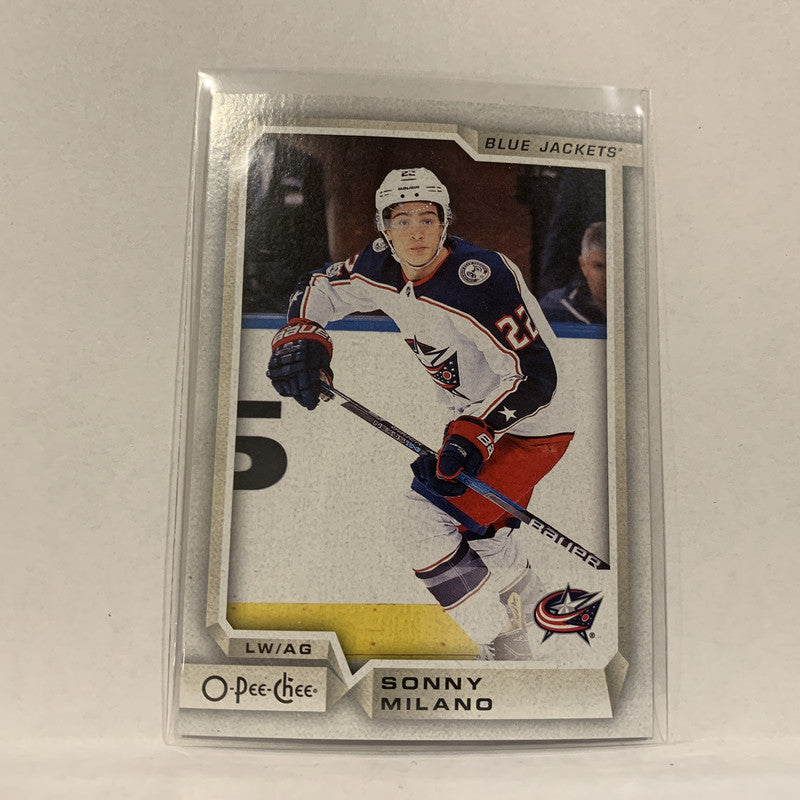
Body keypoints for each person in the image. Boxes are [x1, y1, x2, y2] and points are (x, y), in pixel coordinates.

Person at [267, 168, 573, 660]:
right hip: (472, 419)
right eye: (401, 220)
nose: (416, 232)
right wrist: (303, 334)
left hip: (530, 425)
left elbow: (535, 377)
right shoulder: (379, 264)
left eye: (428, 219)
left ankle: (501, 642)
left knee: (419, 522)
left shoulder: (482, 279)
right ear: (383, 227)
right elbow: (321, 284)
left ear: (446, 222)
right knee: (486, 537)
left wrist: (474, 433)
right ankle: (552, 636)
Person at [538, 222, 607, 325]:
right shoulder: (553, 309)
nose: (607, 276)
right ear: (583, 265)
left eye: (616, 266)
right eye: (599, 266)